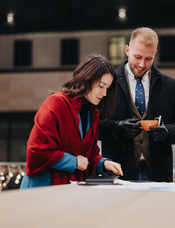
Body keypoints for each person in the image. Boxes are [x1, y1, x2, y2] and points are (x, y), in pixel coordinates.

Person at [99, 27, 175, 182]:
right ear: (127, 50)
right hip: (119, 172)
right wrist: (117, 127)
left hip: (158, 172)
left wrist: (167, 132)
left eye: (149, 58)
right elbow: (95, 125)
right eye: (138, 57)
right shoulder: (108, 83)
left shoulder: (170, 85)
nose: (142, 64)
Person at [21, 54, 123, 189]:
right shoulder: (56, 103)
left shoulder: (92, 113)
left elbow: (87, 157)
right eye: (101, 86)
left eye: (107, 88)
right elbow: (36, 151)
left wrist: (103, 163)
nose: (104, 93)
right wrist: (73, 162)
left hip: (67, 189)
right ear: (88, 79)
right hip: (43, 188)